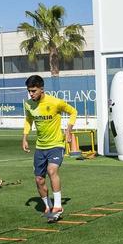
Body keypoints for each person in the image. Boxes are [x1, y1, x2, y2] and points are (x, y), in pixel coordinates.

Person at [22, 75, 76, 223]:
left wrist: (68, 130)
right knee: (39, 180)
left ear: (42, 89)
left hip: (56, 144)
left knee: (52, 170)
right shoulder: (28, 104)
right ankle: (48, 206)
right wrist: (25, 137)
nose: (31, 94)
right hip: (40, 147)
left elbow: (73, 112)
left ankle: (58, 206)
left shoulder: (55, 102)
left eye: (34, 90)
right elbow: (28, 120)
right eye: (29, 91)